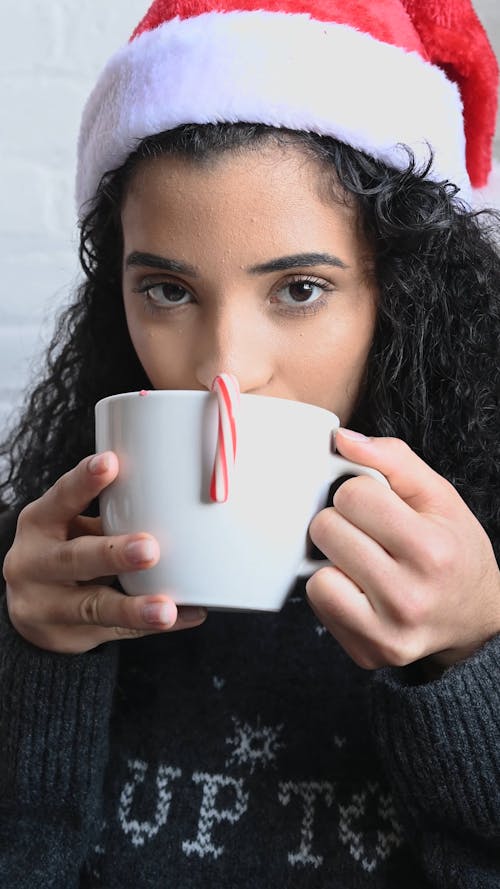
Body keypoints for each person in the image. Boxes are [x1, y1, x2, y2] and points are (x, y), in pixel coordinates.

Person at [0, 0, 499, 885]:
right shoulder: (42, 567)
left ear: (407, 292)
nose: (224, 370)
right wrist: (33, 659)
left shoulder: (484, 578)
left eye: (299, 288)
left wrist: (472, 662)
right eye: (167, 291)